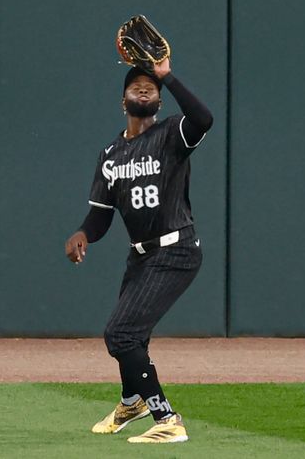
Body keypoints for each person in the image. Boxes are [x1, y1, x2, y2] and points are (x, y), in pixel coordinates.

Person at [64, 57, 213, 444]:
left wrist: (168, 76)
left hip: (176, 249)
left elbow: (204, 118)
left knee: (120, 333)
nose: (144, 88)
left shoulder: (171, 134)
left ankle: (167, 419)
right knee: (134, 337)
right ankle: (132, 401)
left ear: (160, 102)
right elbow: (99, 218)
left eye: (151, 87)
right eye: (136, 85)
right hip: (141, 255)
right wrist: (82, 233)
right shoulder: (110, 155)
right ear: (123, 100)